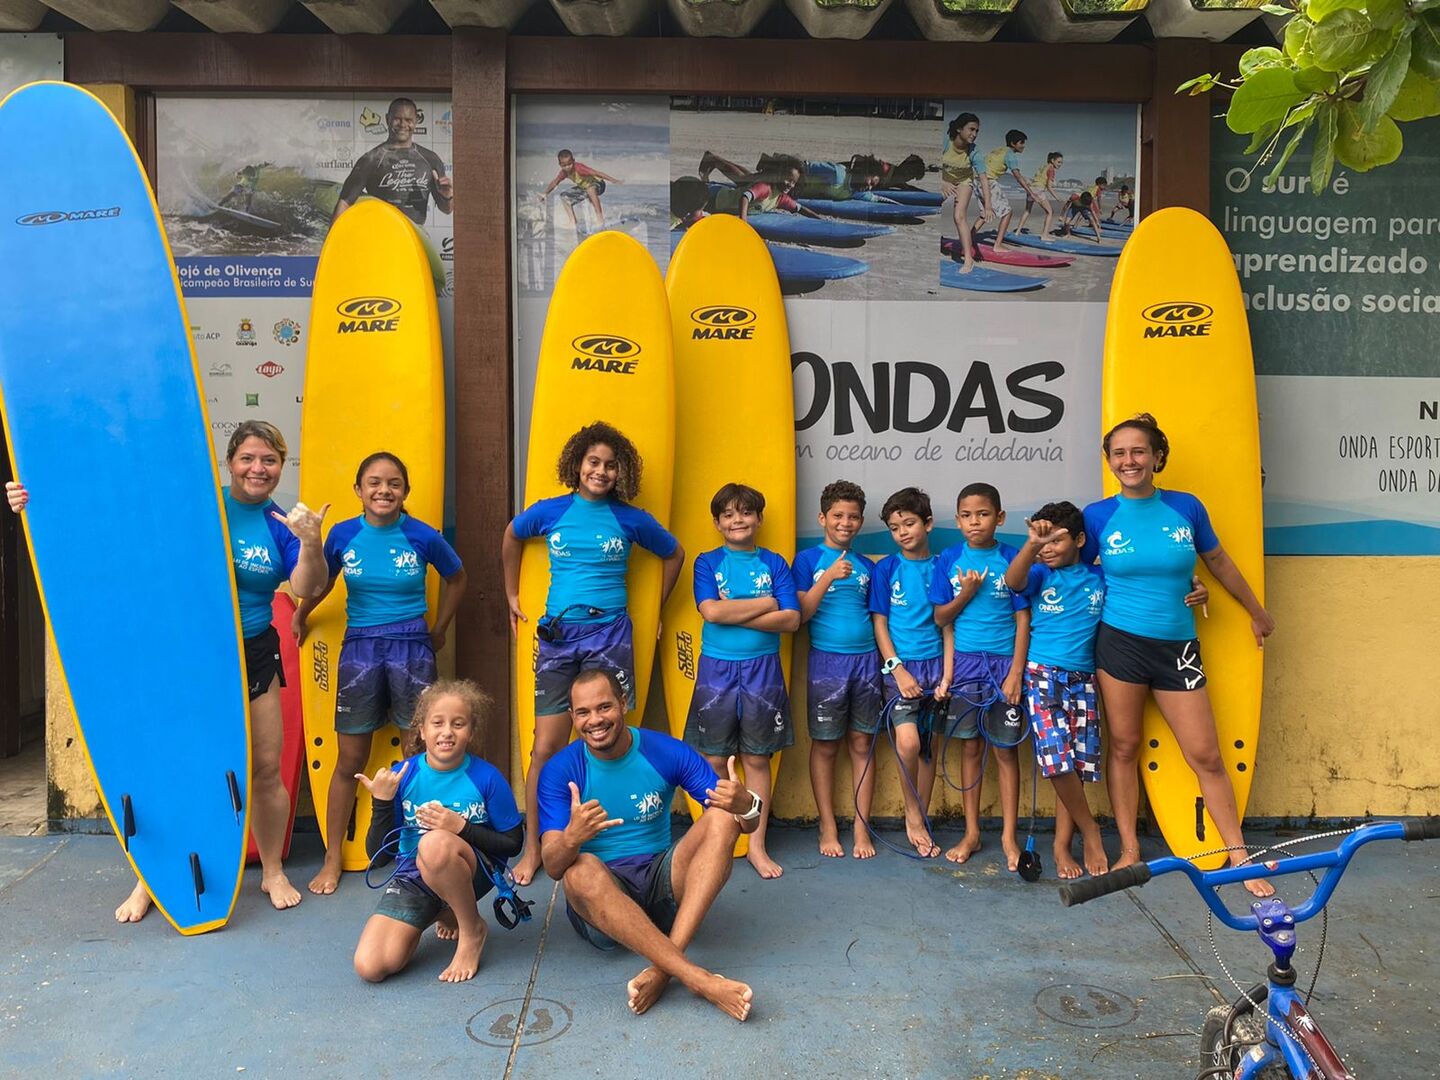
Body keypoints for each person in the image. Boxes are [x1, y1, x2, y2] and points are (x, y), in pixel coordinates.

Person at [6, 420, 329, 920]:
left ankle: (271, 870)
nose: (257, 468)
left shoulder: (279, 523)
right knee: (182, 766)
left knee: (265, 768)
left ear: (281, 467)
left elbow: (307, 584)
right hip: (190, 655)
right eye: (248, 458)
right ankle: (151, 880)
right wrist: (37, 504)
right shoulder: (200, 503)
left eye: (269, 460)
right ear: (230, 462)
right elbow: (116, 519)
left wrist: (311, 542)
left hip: (255, 651)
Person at [1083, 414, 1275, 897]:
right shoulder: (1098, 515)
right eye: (1120, 453)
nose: (1130, 460)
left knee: (1206, 755)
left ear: (1156, 457)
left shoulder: (1186, 508)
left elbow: (1219, 561)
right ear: (1110, 462)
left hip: (1178, 647)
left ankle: (1238, 853)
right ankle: (1129, 849)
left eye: (1139, 451)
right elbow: (1074, 575)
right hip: (1119, 645)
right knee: (1123, 746)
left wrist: (1254, 610)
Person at [501, 421, 684, 886]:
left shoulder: (630, 519)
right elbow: (511, 537)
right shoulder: (549, 512)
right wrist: (511, 597)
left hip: (610, 636)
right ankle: (535, 846)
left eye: (610, 465)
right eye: (593, 462)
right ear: (577, 466)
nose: (600, 471)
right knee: (545, 747)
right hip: (559, 639)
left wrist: (656, 608)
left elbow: (674, 554)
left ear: (620, 473)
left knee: (612, 740)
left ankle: (618, 842)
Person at [537, 668, 760, 1022]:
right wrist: (572, 837)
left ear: (623, 704)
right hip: (603, 911)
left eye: (604, 707)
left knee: (720, 817)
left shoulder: (664, 751)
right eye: (583, 712)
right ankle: (698, 978)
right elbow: (552, 866)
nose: (595, 720)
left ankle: (664, 968)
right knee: (577, 872)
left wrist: (746, 804)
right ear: (572, 717)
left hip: (661, 888)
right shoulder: (560, 771)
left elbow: (744, 822)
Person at [295, 451, 467, 896]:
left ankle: (415, 851)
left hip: (413, 647)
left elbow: (458, 578)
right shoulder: (343, 534)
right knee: (350, 759)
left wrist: (441, 629)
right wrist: (302, 612)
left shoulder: (423, 536)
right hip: (361, 650)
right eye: (374, 482)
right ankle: (332, 856)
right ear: (358, 490)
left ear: (405, 492)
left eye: (393, 483)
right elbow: (322, 581)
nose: (383, 490)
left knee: (421, 758)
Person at [353, 679, 522, 984]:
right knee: (372, 966)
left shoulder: (486, 778)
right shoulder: (403, 775)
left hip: (472, 870)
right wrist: (381, 802)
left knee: (435, 845)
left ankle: (471, 931)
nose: (447, 732)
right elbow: (375, 857)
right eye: (438, 723)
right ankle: (445, 912)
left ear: (470, 732)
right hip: (414, 875)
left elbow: (512, 843)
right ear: (422, 731)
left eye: (458, 724)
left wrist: (461, 827)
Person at [684, 483, 800, 880]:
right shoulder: (707, 562)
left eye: (746, 513)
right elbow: (711, 612)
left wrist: (738, 611)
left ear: (759, 519)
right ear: (717, 523)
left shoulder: (774, 563)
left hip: (763, 670)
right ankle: (718, 838)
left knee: (756, 759)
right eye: (729, 515)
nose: (738, 520)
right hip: (717, 670)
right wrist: (767, 603)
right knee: (714, 759)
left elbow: (792, 619)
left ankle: (755, 844)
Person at [1002, 502, 1109, 880]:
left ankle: (1063, 844)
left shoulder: (1099, 578)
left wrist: (1193, 587)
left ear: (1079, 540)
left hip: (1083, 680)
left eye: (1056, 540)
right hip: (1042, 675)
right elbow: (1012, 581)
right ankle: (1090, 830)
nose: (1048, 547)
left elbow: (1138, 587)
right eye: (1042, 541)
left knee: (1077, 765)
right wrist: (1031, 545)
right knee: (1056, 761)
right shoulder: (1037, 575)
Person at [930, 483, 1029, 868]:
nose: (975, 522)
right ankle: (971, 832)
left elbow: (1024, 619)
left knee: (1005, 750)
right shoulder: (949, 559)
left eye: (983, 514)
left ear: (999, 518)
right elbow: (941, 618)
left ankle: (1008, 837)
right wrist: (967, 592)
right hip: (966, 665)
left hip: (1005, 664)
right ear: (957, 520)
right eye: (967, 515)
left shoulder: (1013, 558)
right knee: (970, 747)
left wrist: (1016, 673)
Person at [792, 480, 880, 859]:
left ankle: (862, 827)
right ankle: (827, 824)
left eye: (854, 517)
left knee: (862, 743)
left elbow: (877, 617)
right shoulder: (808, 561)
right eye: (838, 516)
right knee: (826, 744)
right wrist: (828, 575)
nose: (846, 523)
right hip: (826, 662)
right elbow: (800, 616)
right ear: (822, 518)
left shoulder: (865, 566)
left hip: (866, 662)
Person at [867, 487, 952, 859]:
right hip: (899, 669)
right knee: (908, 743)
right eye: (894, 527)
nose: (902, 532)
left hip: (937, 668)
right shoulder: (887, 568)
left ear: (928, 523)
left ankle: (922, 814)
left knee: (928, 748)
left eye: (909, 523)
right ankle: (912, 816)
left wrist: (948, 675)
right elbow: (880, 624)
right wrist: (897, 669)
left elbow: (949, 626)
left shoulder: (943, 566)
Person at [332, 97, 452, 226]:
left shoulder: (430, 159)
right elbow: (345, 202)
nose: (402, 124)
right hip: (382, 237)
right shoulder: (371, 159)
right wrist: (333, 242)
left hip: (415, 238)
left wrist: (447, 196)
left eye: (408, 120)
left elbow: (447, 209)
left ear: (416, 121)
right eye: (397, 119)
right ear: (387, 119)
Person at [696, 152, 825, 222]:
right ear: (778, 175)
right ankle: (712, 159)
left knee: (746, 179)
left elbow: (800, 208)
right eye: (788, 180)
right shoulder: (765, 188)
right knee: (745, 180)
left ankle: (713, 159)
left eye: (793, 182)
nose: (790, 185)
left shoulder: (780, 198)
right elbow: (744, 197)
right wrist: (743, 221)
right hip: (713, 197)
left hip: (718, 201)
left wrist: (819, 219)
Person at [940, 112, 985, 273]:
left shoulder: (974, 152)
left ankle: (968, 259)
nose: (974, 134)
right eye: (971, 129)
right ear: (959, 129)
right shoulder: (946, 142)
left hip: (964, 182)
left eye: (977, 131)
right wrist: (943, 182)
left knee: (959, 216)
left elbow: (983, 178)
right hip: (944, 179)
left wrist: (988, 206)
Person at [539, 148, 622, 231]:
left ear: (573, 161)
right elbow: (555, 182)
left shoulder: (579, 168)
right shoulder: (563, 173)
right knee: (564, 197)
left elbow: (597, 173)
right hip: (584, 188)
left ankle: (600, 219)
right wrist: (545, 194)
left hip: (599, 184)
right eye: (564, 165)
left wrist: (613, 180)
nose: (567, 167)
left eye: (569, 164)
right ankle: (572, 222)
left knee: (590, 189)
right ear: (560, 165)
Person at [978, 130, 1023, 254]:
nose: (1023, 145)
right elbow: (1017, 176)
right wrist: (1030, 191)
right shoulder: (1010, 154)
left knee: (985, 213)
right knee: (1007, 212)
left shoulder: (998, 150)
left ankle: (969, 237)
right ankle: (997, 245)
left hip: (977, 180)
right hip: (988, 181)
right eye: (1021, 142)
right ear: (1013, 144)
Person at [1016, 151, 1062, 238]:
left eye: (1061, 163)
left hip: (1031, 190)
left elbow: (1036, 179)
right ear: (1052, 160)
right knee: (1049, 212)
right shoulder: (1051, 169)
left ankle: (1017, 231)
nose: (1060, 164)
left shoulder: (1043, 167)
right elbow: (1049, 187)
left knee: (1027, 211)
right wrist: (1057, 197)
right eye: (1059, 162)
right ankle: (1044, 235)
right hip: (1039, 191)